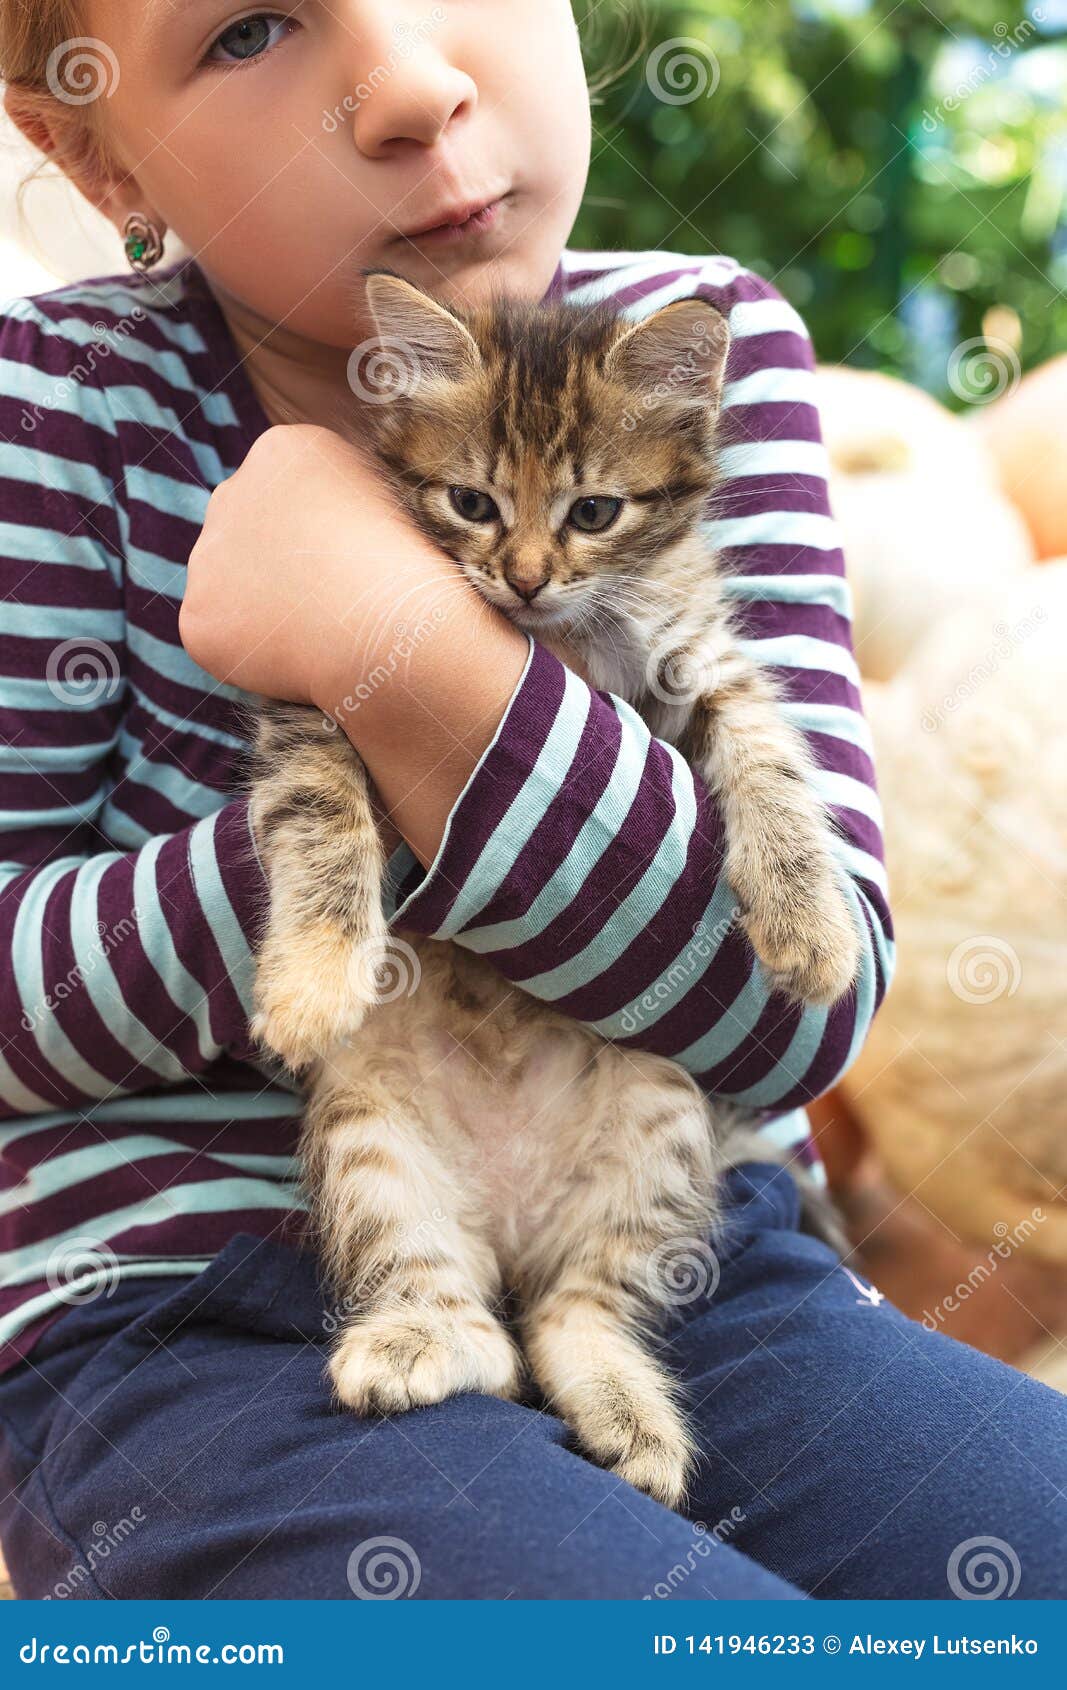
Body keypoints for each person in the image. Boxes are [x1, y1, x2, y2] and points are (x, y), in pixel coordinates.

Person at [0, 2, 1063, 1602]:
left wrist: (417, 671)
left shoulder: (699, 344)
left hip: (676, 1252)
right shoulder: (50, 407)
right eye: (252, 29)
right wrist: (338, 842)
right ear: (90, 145)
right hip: (178, 1301)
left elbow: (792, 1011)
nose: (416, 89)